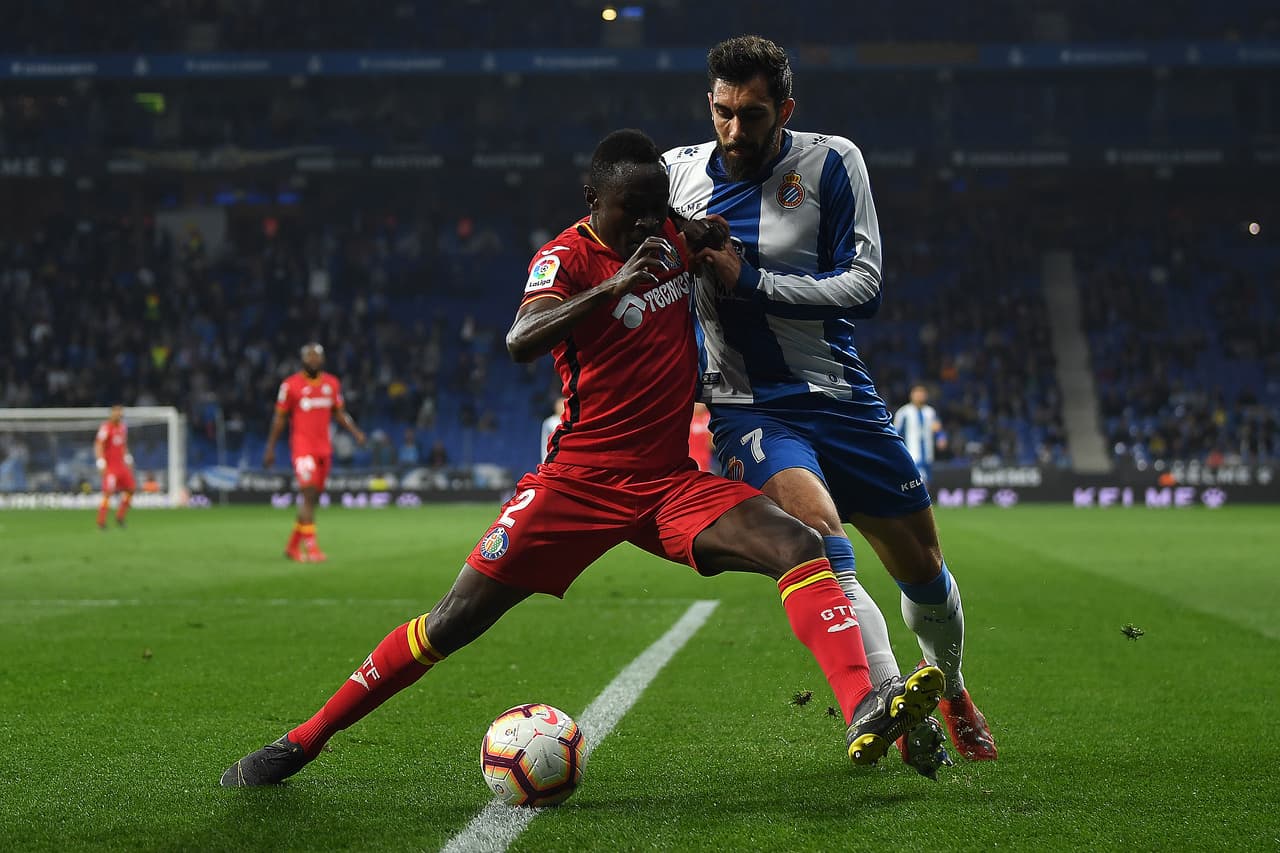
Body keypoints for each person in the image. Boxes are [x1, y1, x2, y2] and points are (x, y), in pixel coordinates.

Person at [221, 130, 944, 788]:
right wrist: (613, 285)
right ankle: (305, 739)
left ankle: (864, 707)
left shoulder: (665, 230)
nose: (646, 223)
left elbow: (697, 236)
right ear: (592, 200)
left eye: (656, 208)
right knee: (453, 620)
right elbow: (521, 338)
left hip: (666, 483)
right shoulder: (563, 258)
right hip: (579, 483)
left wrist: (702, 233)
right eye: (631, 210)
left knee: (798, 542)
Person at [664, 36, 996, 761]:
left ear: (784, 109)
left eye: (752, 115)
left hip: (842, 398)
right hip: (749, 406)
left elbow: (864, 284)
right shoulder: (676, 176)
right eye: (722, 112)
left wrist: (750, 281)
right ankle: (886, 701)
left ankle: (955, 683)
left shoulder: (832, 161)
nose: (734, 130)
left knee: (926, 574)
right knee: (816, 538)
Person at [264, 343, 366, 563]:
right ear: (302, 359)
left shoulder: (331, 384)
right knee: (308, 493)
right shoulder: (290, 385)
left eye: (316, 356)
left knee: (313, 499)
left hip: (323, 449)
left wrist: (355, 432)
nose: (313, 359)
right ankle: (312, 548)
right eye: (309, 356)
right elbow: (280, 418)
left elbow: (339, 413)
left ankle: (292, 546)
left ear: (322, 359)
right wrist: (270, 448)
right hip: (302, 448)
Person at [94, 404, 135, 530]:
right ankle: (101, 522)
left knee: (131, 489)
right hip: (111, 467)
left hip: (121, 466)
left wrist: (128, 457)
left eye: (120, 412)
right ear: (111, 413)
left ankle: (120, 517)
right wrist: (100, 461)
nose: (119, 414)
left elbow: (123, 445)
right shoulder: (105, 428)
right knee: (108, 493)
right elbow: (98, 444)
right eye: (117, 412)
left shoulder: (123, 428)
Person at [894, 384, 944, 483]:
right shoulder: (904, 412)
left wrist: (941, 437)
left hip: (928, 453)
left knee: (927, 480)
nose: (920, 396)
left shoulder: (930, 412)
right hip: (912, 453)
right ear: (911, 395)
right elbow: (896, 432)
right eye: (917, 394)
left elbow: (937, 428)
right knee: (919, 480)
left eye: (922, 394)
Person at [689, 401, 714, 472]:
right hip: (691, 458)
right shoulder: (687, 419)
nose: (699, 406)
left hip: (706, 461)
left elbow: (712, 444)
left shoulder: (708, 418)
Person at [539, 397, 566, 463]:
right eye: (561, 406)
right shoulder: (551, 422)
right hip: (552, 456)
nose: (562, 408)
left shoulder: (568, 421)